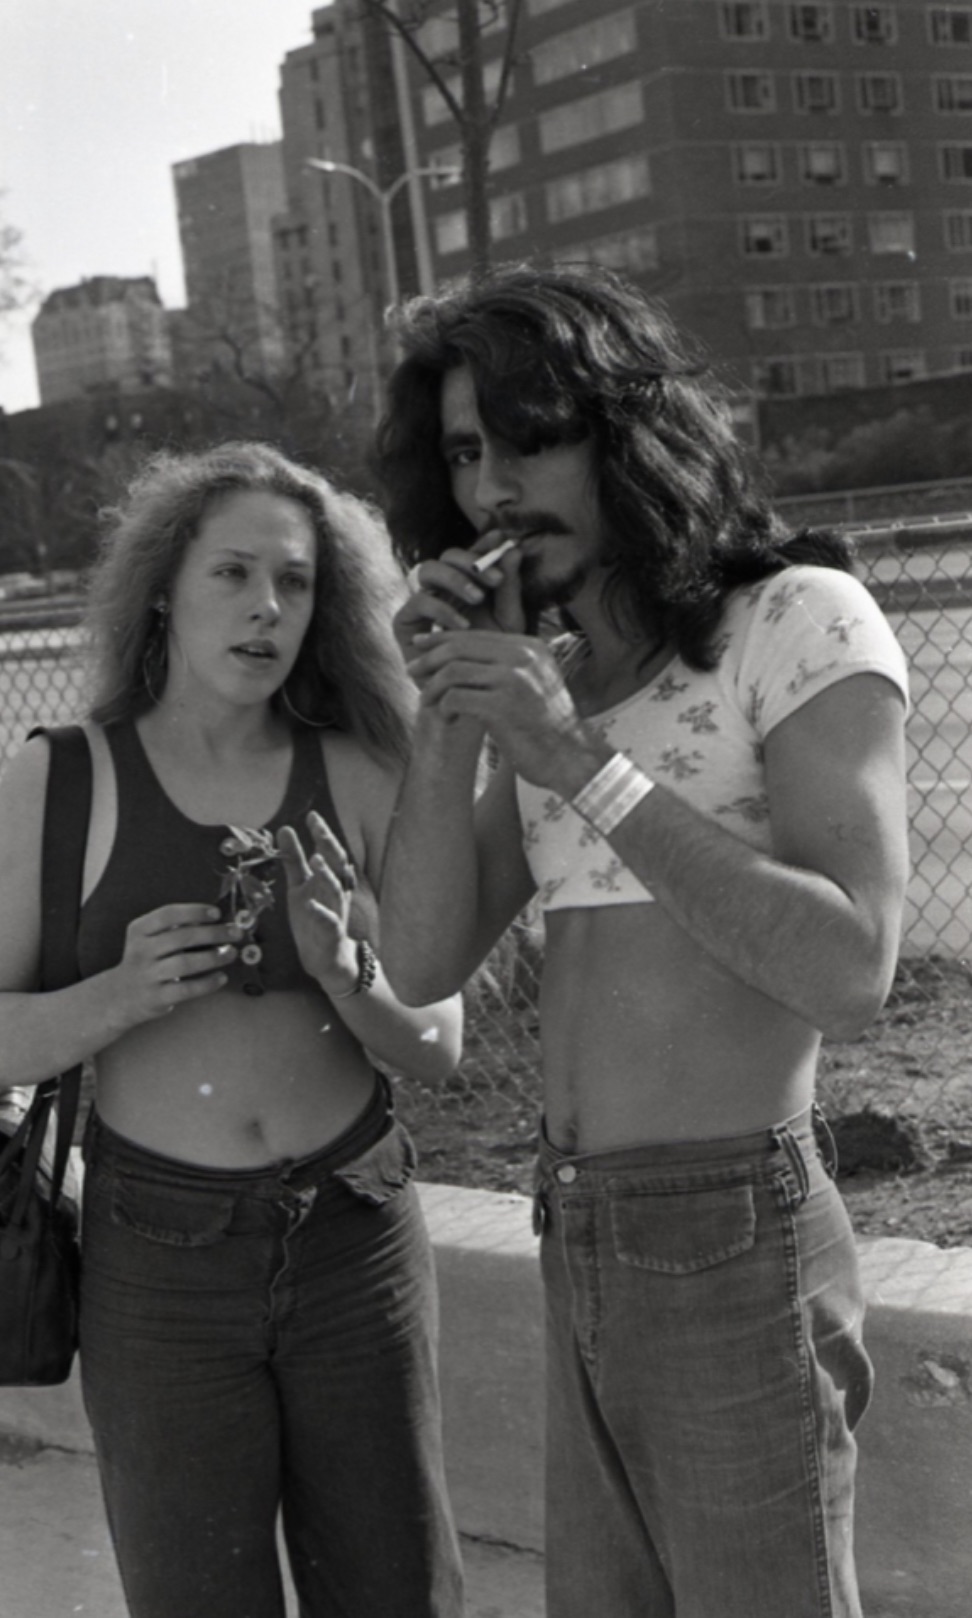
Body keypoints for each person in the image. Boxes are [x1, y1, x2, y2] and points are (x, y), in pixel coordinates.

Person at [374, 264, 910, 1618]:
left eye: (531, 433)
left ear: (626, 431)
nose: (494, 486)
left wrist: (579, 764)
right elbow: (422, 958)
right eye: (463, 452)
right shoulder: (554, 670)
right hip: (578, 1226)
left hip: (733, 1225)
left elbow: (852, 964)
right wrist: (451, 715)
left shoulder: (792, 619)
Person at [0, 442, 464, 1618]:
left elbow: (436, 1041)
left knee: (396, 1589)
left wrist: (348, 971)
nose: (267, 607)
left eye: (297, 582)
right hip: (159, 1261)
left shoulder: (358, 770)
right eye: (233, 573)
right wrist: (116, 995)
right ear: (163, 586)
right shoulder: (61, 782)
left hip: (355, 1241)